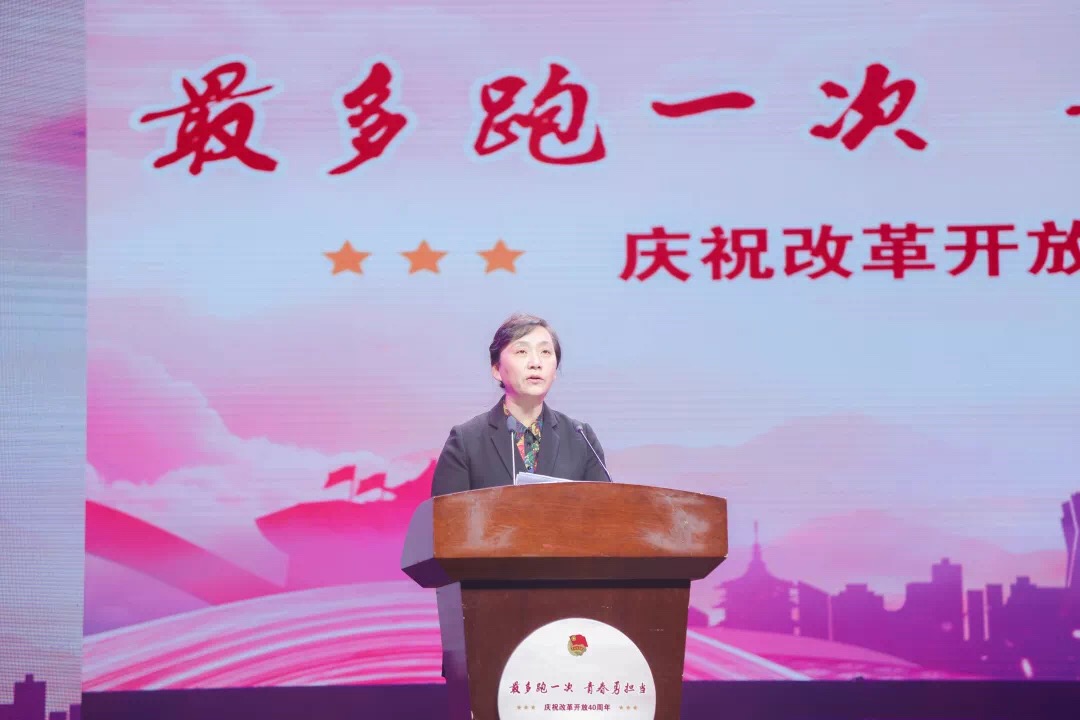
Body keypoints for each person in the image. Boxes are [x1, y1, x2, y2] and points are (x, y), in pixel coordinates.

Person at [430, 313, 610, 496]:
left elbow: (604, 509)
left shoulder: (581, 439)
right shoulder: (466, 441)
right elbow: (445, 513)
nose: (536, 363)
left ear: (555, 370)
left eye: (545, 352)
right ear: (497, 369)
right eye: (522, 351)